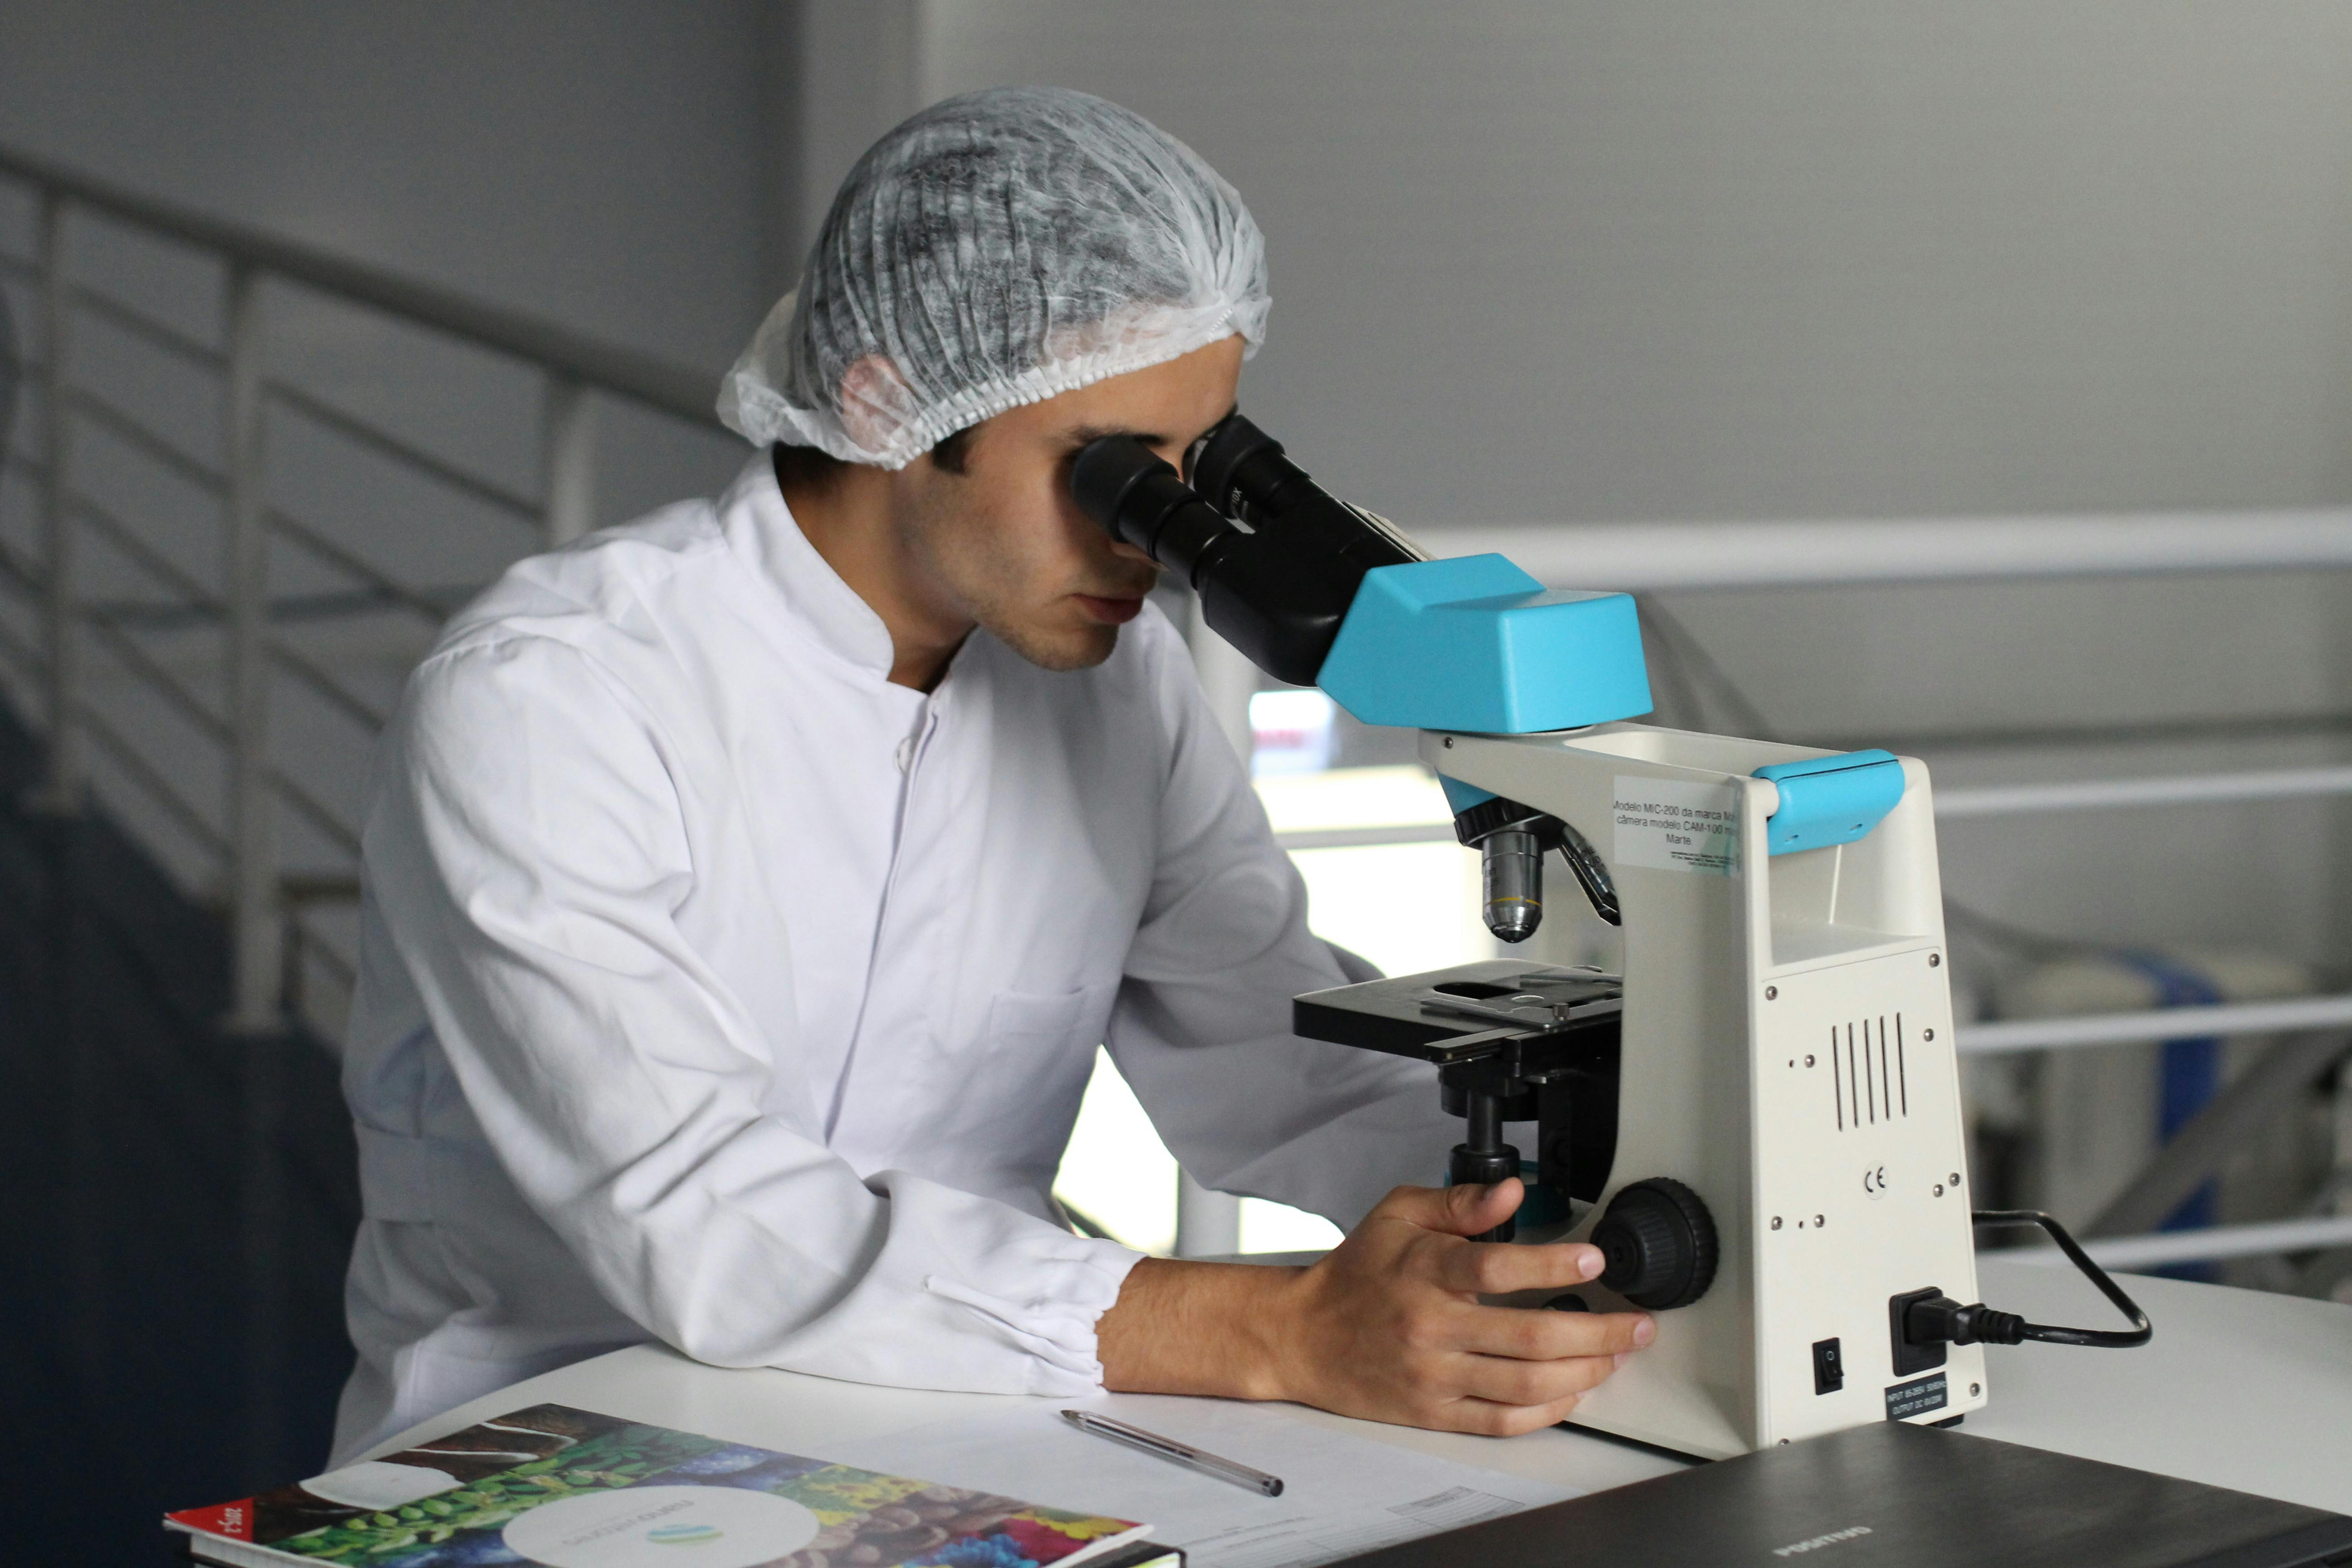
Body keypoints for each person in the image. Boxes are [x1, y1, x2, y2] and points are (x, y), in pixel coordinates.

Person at [330, 86, 1650, 1465]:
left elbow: (1278, 1061)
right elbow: (706, 1219)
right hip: (560, 1439)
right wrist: (1283, 1330)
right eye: (1117, 477)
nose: (1159, 541)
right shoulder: (557, 699)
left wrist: (1553, 1218)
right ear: (889, 399)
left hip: (970, 1425)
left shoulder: (1113, 686)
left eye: (1201, 466)